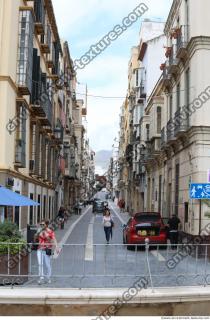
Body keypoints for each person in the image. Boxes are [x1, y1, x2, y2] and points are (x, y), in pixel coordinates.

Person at [35, 220, 58, 284]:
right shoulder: (39, 230)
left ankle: (48, 277)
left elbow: (53, 239)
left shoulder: (50, 231)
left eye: (43, 224)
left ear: (46, 225)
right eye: (41, 224)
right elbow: (35, 239)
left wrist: (56, 247)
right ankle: (41, 277)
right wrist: (37, 234)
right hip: (39, 249)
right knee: (40, 264)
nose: (41, 225)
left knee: (47, 264)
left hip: (47, 249)